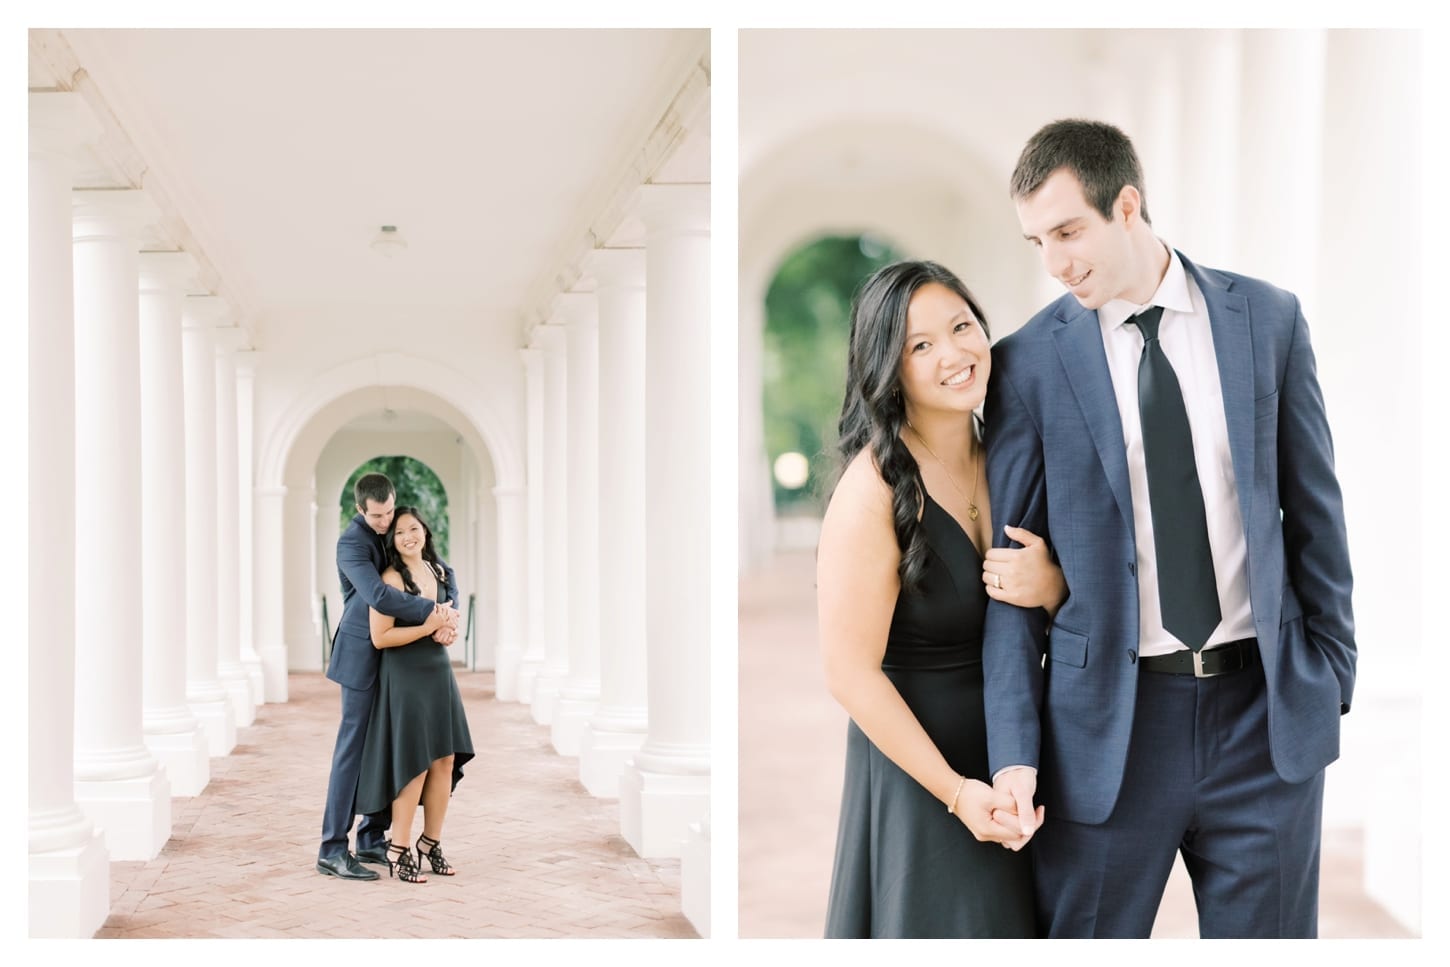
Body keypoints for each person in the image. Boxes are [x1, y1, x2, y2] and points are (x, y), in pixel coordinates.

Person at [982, 119, 1356, 938]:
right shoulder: (1029, 364)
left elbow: (1316, 513)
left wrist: (1330, 676)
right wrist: (1014, 749)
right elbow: (1008, 576)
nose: (1056, 261)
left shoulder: (1268, 319)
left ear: (1127, 204)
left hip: (1265, 720)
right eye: (1037, 240)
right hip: (1107, 732)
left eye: (1070, 230)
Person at [818, 260, 1067, 938]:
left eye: (961, 327)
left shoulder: (1014, 456)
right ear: (887, 369)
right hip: (921, 771)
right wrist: (957, 793)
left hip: (1016, 756)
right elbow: (848, 671)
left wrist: (1052, 589)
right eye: (920, 345)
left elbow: (1086, 602)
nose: (954, 353)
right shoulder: (872, 490)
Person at [316, 474, 460, 880]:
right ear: (361, 509)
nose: (385, 522)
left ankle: (372, 839)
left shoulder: (397, 527)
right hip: (363, 657)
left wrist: (450, 607)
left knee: (386, 750)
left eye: (390, 512)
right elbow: (378, 597)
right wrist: (433, 615)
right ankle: (331, 848)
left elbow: (443, 568)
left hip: (397, 661)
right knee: (352, 754)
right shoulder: (351, 544)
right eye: (377, 516)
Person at [355, 506, 476, 884]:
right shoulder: (389, 578)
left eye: (414, 528)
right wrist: (428, 628)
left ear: (425, 530)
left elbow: (448, 619)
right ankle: (399, 847)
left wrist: (448, 631)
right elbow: (381, 637)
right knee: (416, 763)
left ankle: (431, 842)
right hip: (404, 675)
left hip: (438, 672)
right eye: (400, 532)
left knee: (444, 758)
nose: (409, 536)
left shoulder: (439, 572)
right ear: (391, 540)